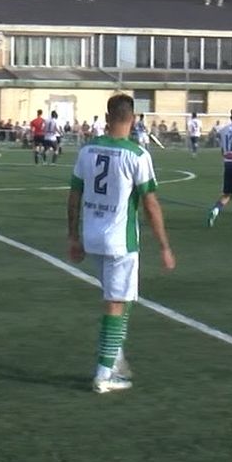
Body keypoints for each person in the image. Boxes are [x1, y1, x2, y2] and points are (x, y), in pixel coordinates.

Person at [67, 93, 175, 395]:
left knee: (120, 298)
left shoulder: (87, 150)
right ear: (134, 119)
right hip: (119, 241)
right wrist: (164, 246)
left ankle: (114, 356)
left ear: (107, 116)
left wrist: (73, 235)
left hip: (92, 235)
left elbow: (74, 194)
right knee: (115, 303)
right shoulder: (137, 154)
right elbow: (151, 204)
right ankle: (104, 373)